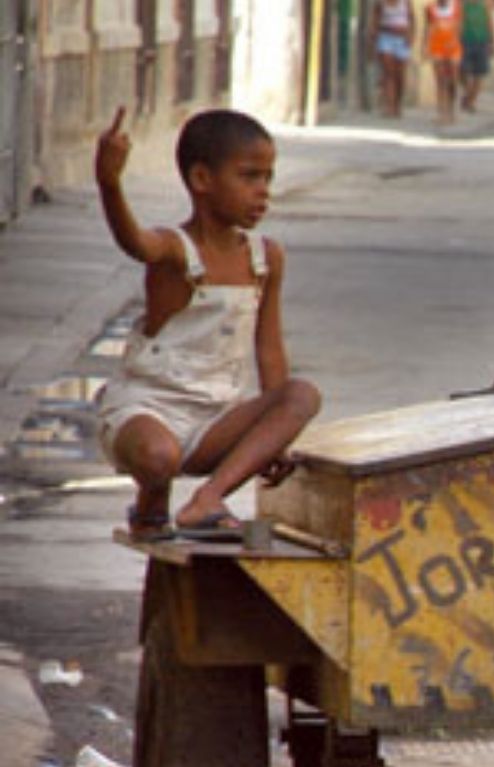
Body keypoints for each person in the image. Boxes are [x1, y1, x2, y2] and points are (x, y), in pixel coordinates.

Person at [91, 107, 322, 540]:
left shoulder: (265, 258)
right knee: (159, 458)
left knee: (302, 396)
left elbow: (269, 350)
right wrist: (109, 184)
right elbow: (134, 242)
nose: (263, 192)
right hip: (148, 412)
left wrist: (273, 439)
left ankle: (208, 500)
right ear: (201, 180)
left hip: (215, 422)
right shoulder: (175, 250)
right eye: (249, 177)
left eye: (268, 178)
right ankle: (151, 505)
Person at [423, 0, 464, 125]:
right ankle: (441, 112)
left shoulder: (457, 6)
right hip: (436, 45)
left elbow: (460, 26)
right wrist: (424, 46)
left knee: (452, 80)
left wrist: (455, 40)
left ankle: (451, 110)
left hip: (452, 45)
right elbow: (428, 27)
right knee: (440, 80)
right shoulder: (430, 8)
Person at [371, 0, 414, 118]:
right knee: (389, 73)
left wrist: (411, 36)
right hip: (386, 38)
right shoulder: (380, 3)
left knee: (400, 75)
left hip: (402, 39)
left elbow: (411, 18)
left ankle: (397, 105)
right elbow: (375, 20)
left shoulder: (406, 2)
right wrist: (374, 37)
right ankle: (389, 107)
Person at [457, 0, 492, 113]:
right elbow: (460, 23)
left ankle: (471, 101)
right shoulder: (463, 6)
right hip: (466, 40)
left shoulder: (484, 6)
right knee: (462, 71)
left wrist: (491, 41)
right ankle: (468, 93)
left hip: (482, 40)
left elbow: (489, 22)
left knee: (479, 73)